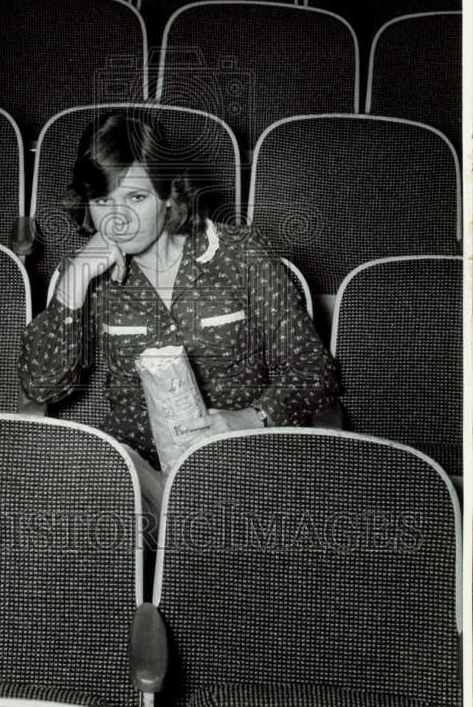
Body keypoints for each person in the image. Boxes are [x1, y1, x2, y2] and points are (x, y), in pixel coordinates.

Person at [19, 111, 341, 521]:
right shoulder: (85, 273)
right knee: (79, 492)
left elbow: (314, 371)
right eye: (103, 201)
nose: (117, 220)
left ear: (170, 194)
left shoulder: (241, 254)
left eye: (135, 197)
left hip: (238, 461)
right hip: (136, 475)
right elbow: (42, 387)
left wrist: (250, 418)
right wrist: (73, 284)